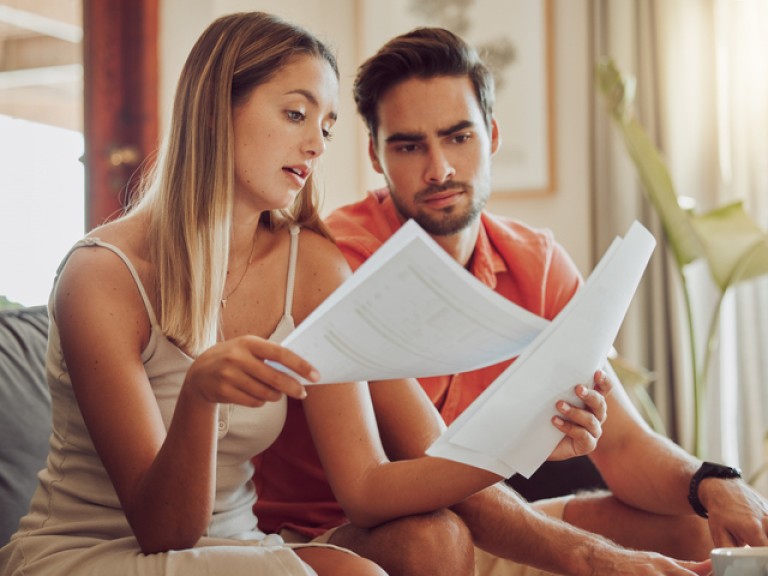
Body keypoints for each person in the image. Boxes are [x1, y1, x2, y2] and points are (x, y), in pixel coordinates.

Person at [0, 12, 610, 576]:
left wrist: (522, 445)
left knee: (431, 539)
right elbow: (164, 532)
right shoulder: (102, 276)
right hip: (95, 552)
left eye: (326, 125)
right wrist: (198, 398)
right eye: (296, 114)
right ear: (216, 110)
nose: (317, 145)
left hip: (237, 545)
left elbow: (367, 488)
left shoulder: (313, 264)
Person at [253, 26, 766, 576]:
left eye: (458, 137)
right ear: (376, 157)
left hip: (481, 521)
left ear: (492, 135)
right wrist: (593, 559)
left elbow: (623, 444)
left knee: (693, 530)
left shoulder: (537, 263)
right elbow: (429, 473)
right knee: (435, 537)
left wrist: (715, 482)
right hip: (352, 535)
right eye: (408, 145)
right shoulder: (341, 261)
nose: (440, 169)